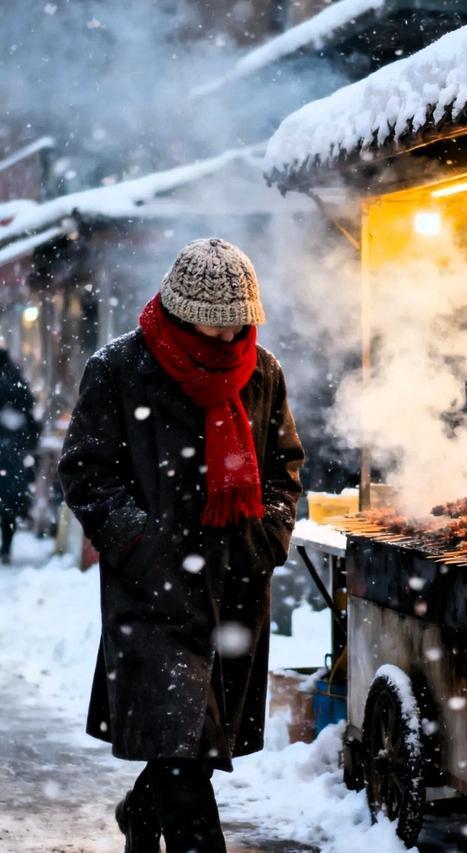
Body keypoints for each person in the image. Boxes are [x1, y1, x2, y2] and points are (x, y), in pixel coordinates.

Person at [59, 238, 305, 853]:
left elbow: (284, 467)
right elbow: (87, 474)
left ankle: (142, 813)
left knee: (192, 741)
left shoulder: (263, 370)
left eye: (239, 325)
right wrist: (139, 544)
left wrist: (268, 536)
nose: (229, 340)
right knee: (182, 749)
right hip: (153, 593)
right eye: (216, 325)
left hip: (234, 586)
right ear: (179, 309)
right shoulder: (118, 368)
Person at [0, 347, 37, 562]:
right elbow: (28, 406)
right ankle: (6, 547)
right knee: (8, 504)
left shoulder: (11, 380)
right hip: (11, 451)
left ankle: (6, 548)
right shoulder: (14, 377)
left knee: (7, 502)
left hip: (9, 448)